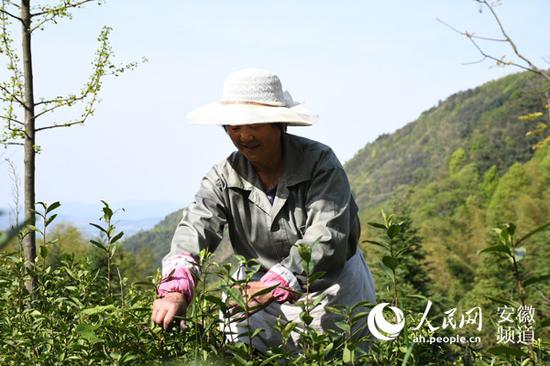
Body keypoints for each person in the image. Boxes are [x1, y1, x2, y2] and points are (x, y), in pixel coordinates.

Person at [151, 68, 376, 352]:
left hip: (330, 293)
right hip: (254, 295)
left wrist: (277, 284)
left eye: (254, 124)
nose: (244, 136)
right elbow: (196, 226)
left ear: (280, 125)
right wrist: (175, 290)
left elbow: (326, 237)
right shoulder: (223, 177)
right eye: (233, 127)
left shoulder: (320, 164)